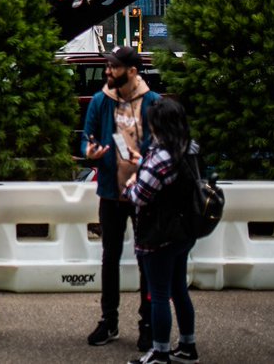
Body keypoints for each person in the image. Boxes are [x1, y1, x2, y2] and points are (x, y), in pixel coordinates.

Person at [81, 45, 160, 350]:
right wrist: (91, 150)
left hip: (144, 194)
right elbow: (86, 136)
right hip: (111, 194)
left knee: (147, 261)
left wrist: (146, 160)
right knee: (109, 257)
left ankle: (148, 323)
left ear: (132, 71)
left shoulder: (152, 101)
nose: (108, 72)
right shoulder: (101, 100)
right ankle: (109, 320)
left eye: (113, 67)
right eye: (108, 66)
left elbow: (160, 142)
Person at [123, 98, 201, 364]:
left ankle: (160, 351)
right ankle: (188, 346)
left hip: (158, 234)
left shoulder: (161, 157)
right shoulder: (189, 150)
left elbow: (140, 196)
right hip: (183, 232)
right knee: (179, 289)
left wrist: (130, 184)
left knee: (158, 295)